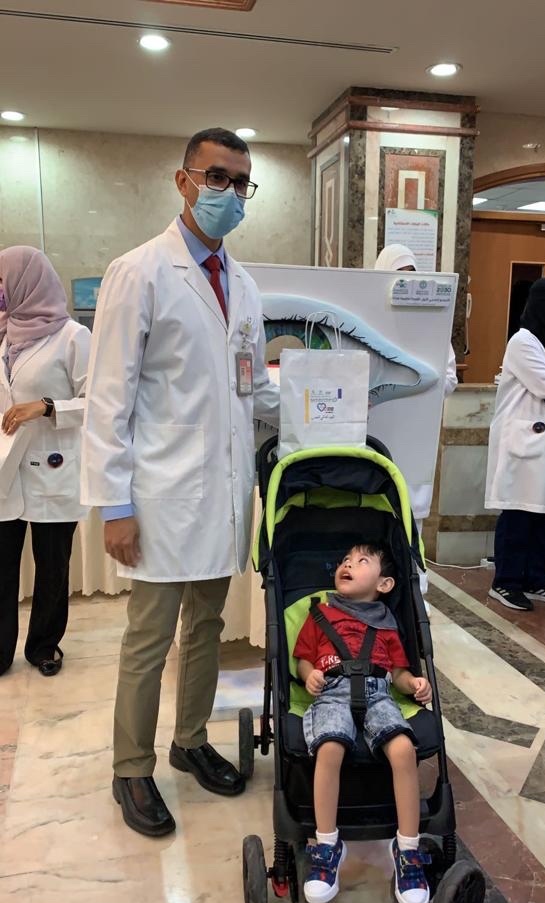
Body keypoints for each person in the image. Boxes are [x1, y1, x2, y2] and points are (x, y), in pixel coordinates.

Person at [81, 127, 279, 838]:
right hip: (160, 494)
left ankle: (190, 740)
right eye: (216, 177)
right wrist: (116, 505)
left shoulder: (243, 284)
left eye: (240, 182)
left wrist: (330, 402)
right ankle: (130, 769)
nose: (229, 193)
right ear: (184, 180)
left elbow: (252, 389)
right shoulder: (139, 272)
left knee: (208, 625)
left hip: (221, 493)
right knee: (149, 636)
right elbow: (108, 398)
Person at [294, 542, 432, 903]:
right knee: (330, 747)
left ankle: (407, 849)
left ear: (384, 584)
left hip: (379, 693)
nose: (347, 564)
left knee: (403, 749)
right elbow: (302, 659)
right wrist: (309, 675)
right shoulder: (320, 614)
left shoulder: (386, 624)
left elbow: (398, 673)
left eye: (361, 561)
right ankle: (327, 844)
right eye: (344, 560)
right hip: (332, 692)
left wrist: (415, 684)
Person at [0, 246, 90, 677]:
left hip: (53, 468)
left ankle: (43, 646)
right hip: (6, 470)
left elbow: (98, 401)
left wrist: (48, 406)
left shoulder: (73, 336)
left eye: (3, 281)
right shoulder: (3, 335)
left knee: (52, 566)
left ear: (27, 281)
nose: (0, 290)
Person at [375, 245, 459, 601]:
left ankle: (414, 597)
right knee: (375, 515)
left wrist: (420, 384)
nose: (405, 284)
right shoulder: (369, 320)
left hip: (415, 435)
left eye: (411, 276)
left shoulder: (433, 327)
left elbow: (449, 378)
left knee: (412, 520)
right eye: (399, 276)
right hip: (378, 432)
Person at [486, 278, 545, 611]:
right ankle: (506, 582)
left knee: (543, 515)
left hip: (541, 445)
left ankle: (535, 579)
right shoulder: (523, 341)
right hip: (521, 443)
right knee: (518, 512)